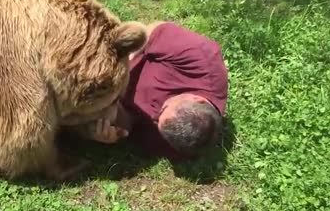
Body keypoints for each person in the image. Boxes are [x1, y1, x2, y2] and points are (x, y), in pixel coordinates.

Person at [67, 21, 229, 161]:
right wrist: (119, 65)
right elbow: (152, 31)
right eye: (164, 109)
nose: (155, 116)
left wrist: (110, 134)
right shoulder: (202, 60)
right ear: (197, 99)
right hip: (112, 60)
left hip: (106, 104)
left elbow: (130, 125)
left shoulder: (176, 141)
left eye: (157, 122)